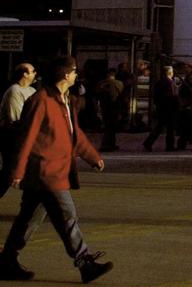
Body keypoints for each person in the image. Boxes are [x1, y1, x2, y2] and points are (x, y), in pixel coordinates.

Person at [0, 56, 112, 283]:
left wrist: (93, 157)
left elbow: (75, 135)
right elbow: (26, 137)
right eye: (73, 71)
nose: (76, 75)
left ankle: (6, 261)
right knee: (67, 216)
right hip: (46, 172)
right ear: (64, 75)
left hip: (55, 171)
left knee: (29, 218)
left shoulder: (65, 100)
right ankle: (85, 263)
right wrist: (17, 171)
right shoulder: (40, 101)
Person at [0, 64, 38, 196]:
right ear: (24, 74)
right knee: (9, 173)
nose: (35, 73)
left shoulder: (32, 90)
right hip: (11, 137)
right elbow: (15, 117)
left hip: (25, 136)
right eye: (33, 71)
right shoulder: (14, 91)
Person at [142, 64, 179, 152]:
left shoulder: (159, 82)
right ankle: (169, 145)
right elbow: (172, 96)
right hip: (170, 108)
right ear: (170, 72)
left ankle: (149, 142)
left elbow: (156, 96)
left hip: (162, 107)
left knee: (159, 126)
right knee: (170, 127)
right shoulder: (170, 83)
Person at [93, 69, 124, 152]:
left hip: (104, 107)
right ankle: (108, 144)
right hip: (114, 107)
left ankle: (109, 144)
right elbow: (121, 96)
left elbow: (96, 96)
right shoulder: (119, 84)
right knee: (112, 127)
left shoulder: (100, 84)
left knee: (107, 126)